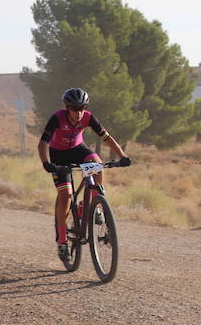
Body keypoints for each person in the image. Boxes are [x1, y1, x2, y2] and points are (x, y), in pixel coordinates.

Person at [37, 87, 131, 263]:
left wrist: (122, 156)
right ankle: (62, 240)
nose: (79, 113)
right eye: (75, 109)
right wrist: (46, 163)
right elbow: (42, 144)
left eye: (82, 108)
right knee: (66, 194)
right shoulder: (57, 118)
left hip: (78, 149)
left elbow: (107, 138)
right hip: (58, 155)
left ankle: (94, 206)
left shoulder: (88, 117)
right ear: (67, 107)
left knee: (97, 165)